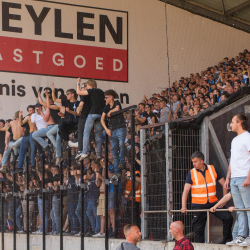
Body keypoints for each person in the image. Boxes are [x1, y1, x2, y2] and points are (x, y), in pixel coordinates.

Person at [181, 151, 233, 243]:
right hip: (198, 204)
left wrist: (224, 200)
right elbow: (185, 191)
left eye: (195, 162)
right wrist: (183, 206)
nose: (193, 164)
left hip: (213, 202)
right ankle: (200, 247)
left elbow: (224, 184)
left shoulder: (213, 169)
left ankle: (226, 241)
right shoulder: (191, 173)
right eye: (192, 162)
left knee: (228, 217)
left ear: (202, 161)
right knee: (199, 229)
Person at [224, 114, 250, 246]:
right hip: (234, 178)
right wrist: (228, 177)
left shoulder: (248, 137)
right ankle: (241, 236)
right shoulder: (234, 140)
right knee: (240, 209)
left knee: (248, 208)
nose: (231, 124)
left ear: (239, 123)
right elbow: (232, 160)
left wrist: (248, 177)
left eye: (233, 122)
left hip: (244, 177)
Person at [76, 78, 105, 161]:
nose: (86, 87)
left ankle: (84, 152)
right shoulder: (101, 92)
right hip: (101, 115)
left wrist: (78, 83)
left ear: (91, 85)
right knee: (98, 135)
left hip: (92, 114)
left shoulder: (92, 91)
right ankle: (99, 154)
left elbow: (79, 92)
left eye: (87, 86)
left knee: (86, 133)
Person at [101, 89, 126, 176]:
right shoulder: (106, 107)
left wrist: (110, 112)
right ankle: (117, 172)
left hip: (120, 127)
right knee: (114, 150)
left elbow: (117, 108)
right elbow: (102, 119)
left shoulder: (116, 102)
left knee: (121, 144)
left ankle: (122, 161)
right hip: (112, 129)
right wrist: (106, 129)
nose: (105, 99)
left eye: (106, 97)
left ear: (111, 97)